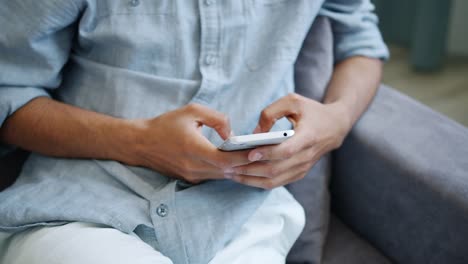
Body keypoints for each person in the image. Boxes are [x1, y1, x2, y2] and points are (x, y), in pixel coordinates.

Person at [0, 1, 388, 263]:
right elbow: (8, 92)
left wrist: (336, 121)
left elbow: (361, 42)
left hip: (244, 216)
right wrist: (138, 142)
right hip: (81, 210)